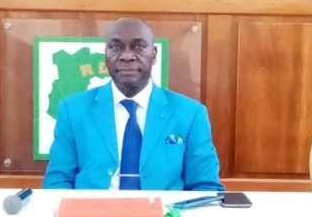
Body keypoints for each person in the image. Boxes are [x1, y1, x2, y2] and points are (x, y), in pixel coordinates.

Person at [44, 17, 223, 191]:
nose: (127, 56)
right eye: (115, 47)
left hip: (163, 211)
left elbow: (205, 186)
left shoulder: (190, 114)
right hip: (92, 211)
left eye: (138, 46)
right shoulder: (73, 110)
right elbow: (57, 181)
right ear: (105, 55)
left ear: (154, 54)